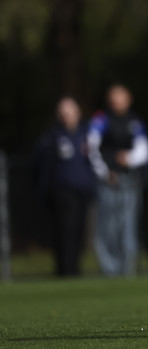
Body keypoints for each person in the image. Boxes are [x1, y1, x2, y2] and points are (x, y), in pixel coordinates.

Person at [88, 84, 148, 276]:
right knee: (108, 226)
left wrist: (128, 158)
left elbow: (144, 151)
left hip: (129, 180)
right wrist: (105, 172)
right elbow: (92, 148)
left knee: (128, 226)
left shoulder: (134, 121)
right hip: (109, 181)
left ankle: (127, 269)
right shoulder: (101, 119)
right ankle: (110, 269)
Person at [33, 97, 96, 276]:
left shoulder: (87, 134)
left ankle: (75, 269)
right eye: (63, 113)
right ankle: (65, 271)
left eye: (69, 112)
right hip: (62, 193)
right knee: (64, 232)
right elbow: (40, 165)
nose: (66, 116)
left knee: (79, 232)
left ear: (78, 113)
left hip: (83, 191)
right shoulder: (52, 136)